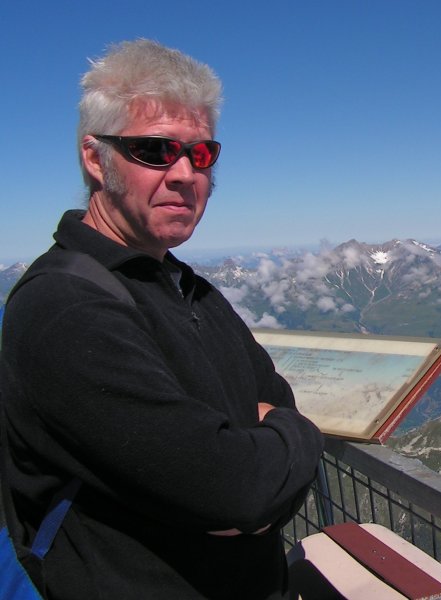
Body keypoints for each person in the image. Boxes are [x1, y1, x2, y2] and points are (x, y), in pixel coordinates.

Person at [0, 40, 324, 599]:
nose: (184, 174)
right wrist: (297, 438)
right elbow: (238, 492)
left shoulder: (186, 286)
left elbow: (273, 406)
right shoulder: (65, 310)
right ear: (95, 158)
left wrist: (259, 458)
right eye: (154, 150)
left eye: (201, 154)